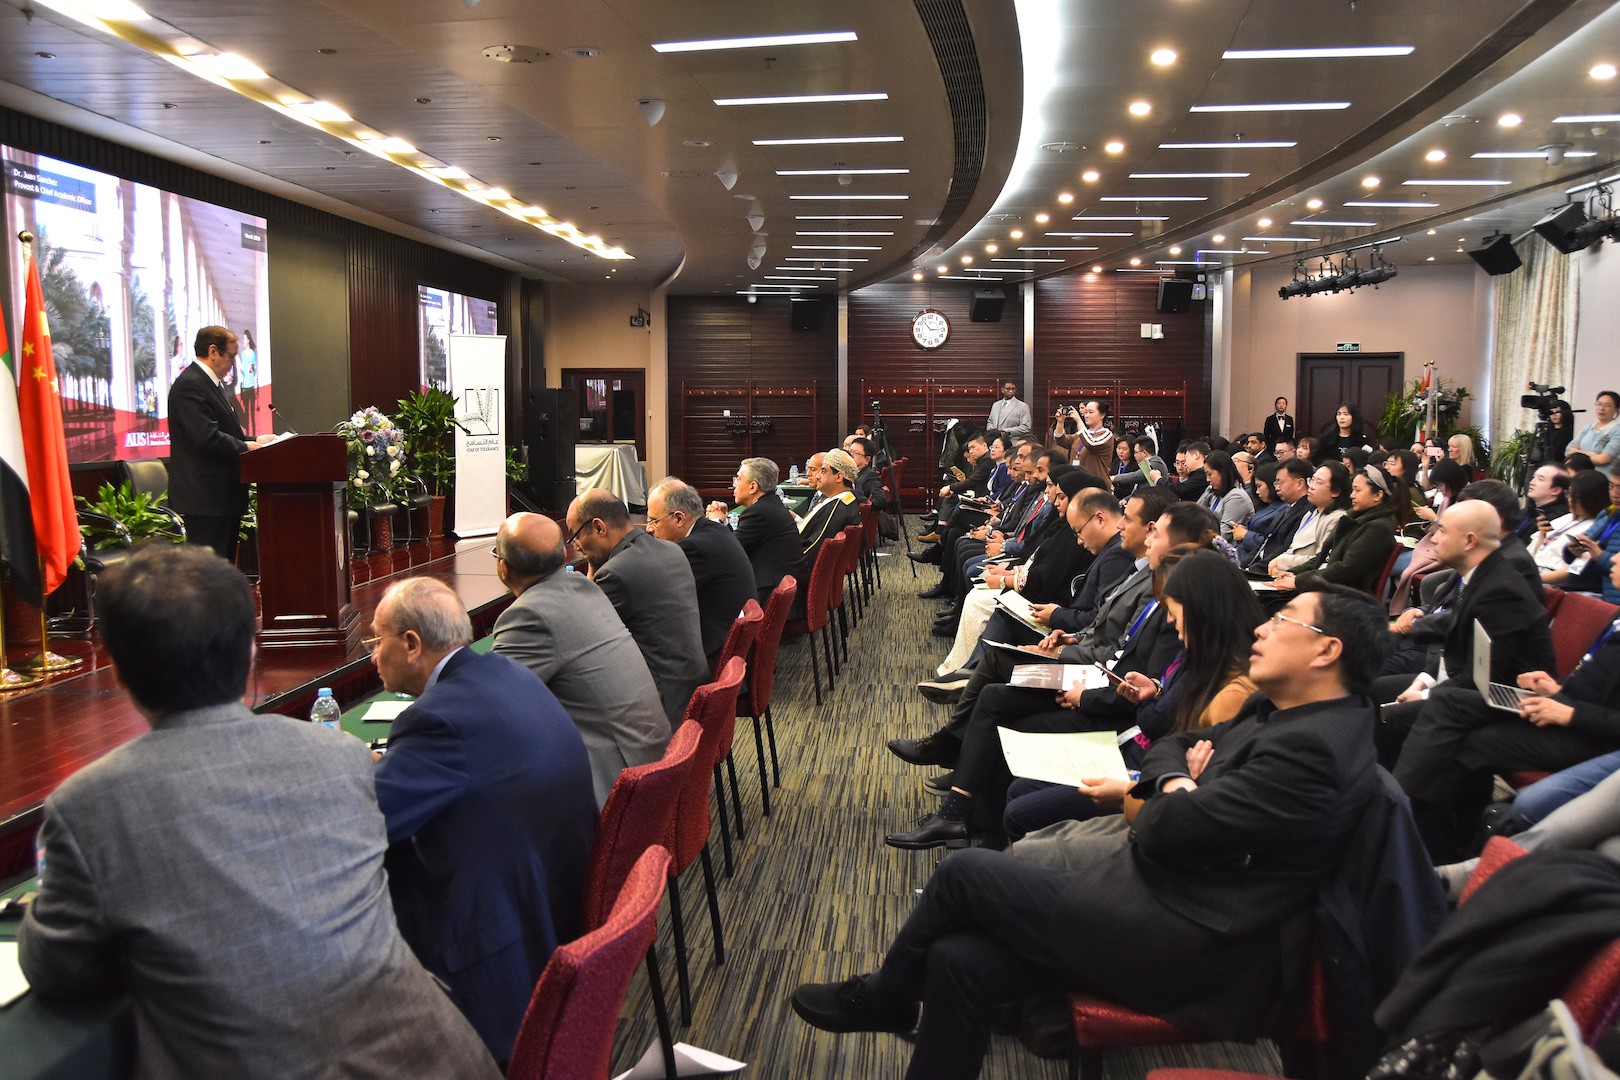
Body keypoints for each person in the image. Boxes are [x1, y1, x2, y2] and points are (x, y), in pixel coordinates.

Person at [791, 585, 1389, 1080]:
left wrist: (1177, 791)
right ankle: (896, 1000)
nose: (1262, 628)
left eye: (1283, 620)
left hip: (1198, 942)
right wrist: (1181, 780)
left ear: (1326, 650)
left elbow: (1168, 830)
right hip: (1165, 897)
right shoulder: (1286, 711)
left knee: (963, 873)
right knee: (958, 959)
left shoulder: (1315, 749)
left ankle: (889, 994)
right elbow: (1177, 745)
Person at [19, 544, 501, 1080]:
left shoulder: (89, 806)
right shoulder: (338, 755)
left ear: (118, 670)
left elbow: (57, 966)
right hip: (435, 1059)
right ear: (251, 654)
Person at [370, 576, 597, 1062]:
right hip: (561, 902)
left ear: (411, 644)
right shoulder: (507, 672)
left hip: (501, 942)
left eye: (376, 640)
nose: (372, 655)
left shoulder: (434, 720)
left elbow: (369, 819)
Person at [1005, 548, 1262, 847]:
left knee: (1020, 812)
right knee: (1020, 789)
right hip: (1143, 760)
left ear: (1201, 613)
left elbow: (1164, 733)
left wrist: (1132, 787)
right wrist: (1156, 689)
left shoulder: (1231, 689)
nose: (1170, 621)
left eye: (1174, 613)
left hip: (1146, 781)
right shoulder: (1200, 656)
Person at [491, 512, 671, 803]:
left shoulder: (528, 614)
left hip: (619, 784)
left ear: (503, 568)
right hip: (651, 758)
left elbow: (490, 701)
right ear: (563, 556)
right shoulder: (585, 586)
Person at [569, 488, 710, 724]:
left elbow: (580, 635)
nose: (576, 546)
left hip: (661, 708)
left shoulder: (615, 574)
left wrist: (592, 567)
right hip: (690, 689)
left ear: (599, 528)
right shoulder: (672, 549)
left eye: (576, 536)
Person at [167, 325, 274, 561]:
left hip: (220, 497)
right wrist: (246, 448)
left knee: (221, 568)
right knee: (207, 572)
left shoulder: (210, 383)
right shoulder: (191, 384)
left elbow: (225, 432)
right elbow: (206, 437)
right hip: (205, 498)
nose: (233, 363)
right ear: (213, 351)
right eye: (231, 356)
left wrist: (256, 440)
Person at [647, 477, 757, 670]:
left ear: (679, 518)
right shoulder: (714, 530)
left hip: (716, 655)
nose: (649, 528)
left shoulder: (695, 548)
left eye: (654, 521)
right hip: (733, 646)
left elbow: (659, 600)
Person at [1272, 464, 1401, 595]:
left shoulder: (1378, 527)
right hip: (1329, 588)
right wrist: (1294, 573)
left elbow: (1346, 570)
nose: (1352, 495)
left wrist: (1299, 581)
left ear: (1377, 495)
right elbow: (1321, 557)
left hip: (1347, 596)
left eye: (1358, 490)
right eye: (1352, 490)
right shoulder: (1354, 517)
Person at [709, 456, 801, 603]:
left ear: (753, 487)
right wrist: (725, 521)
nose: (734, 484)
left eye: (738, 479)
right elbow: (739, 542)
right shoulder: (769, 504)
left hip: (769, 594)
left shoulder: (759, 512)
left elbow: (728, 552)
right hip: (779, 585)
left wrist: (716, 521)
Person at [1528, 469, 1609, 590]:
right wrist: (1542, 535)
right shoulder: (1567, 518)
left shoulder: (1596, 528)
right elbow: (1537, 550)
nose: (1569, 500)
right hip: (1534, 570)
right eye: (1568, 494)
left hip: (1550, 580)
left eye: (1574, 497)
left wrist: (1534, 579)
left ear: (1589, 500)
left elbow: (1573, 570)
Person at [1268, 461, 1352, 575]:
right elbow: (1292, 549)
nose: (1311, 486)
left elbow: (1320, 560)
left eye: (1319, 483)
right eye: (1312, 480)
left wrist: (1281, 562)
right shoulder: (1310, 513)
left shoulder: (1337, 518)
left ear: (1335, 491)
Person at [1197, 449, 1254, 542]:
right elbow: (1197, 512)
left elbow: (1223, 535)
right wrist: (1208, 491)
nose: (1207, 479)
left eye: (1210, 474)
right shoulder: (1217, 492)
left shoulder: (1237, 497)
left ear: (1223, 472)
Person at [1052, 399, 1113, 477]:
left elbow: (1091, 443)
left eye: (1091, 412)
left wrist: (1078, 420)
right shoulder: (1080, 434)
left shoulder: (1106, 434)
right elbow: (1060, 440)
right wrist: (1060, 422)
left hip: (1095, 482)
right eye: (1086, 412)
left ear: (1102, 415)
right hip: (1077, 480)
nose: (1086, 416)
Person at [1518, 463, 1571, 541]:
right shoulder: (1529, 511)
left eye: (1540, 479)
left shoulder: (1555, 521)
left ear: (1555, 490)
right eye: (1533, 477)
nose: (1532, 482)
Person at [1569, 390, 1620, 465]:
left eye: (1607, 405)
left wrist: (1576, 452)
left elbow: (1602, 459)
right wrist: (1591, 454)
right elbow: (1568, 450)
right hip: (1580, 471)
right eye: (1599, 404)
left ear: (1616, 409)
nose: (1601, 408)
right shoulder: (1588, 427)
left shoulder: (1617, 431)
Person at [848, 436, 890, 511]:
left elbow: (881, 500)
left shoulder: (870, 476)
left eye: (855, 453)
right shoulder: (848, 473)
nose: (850, 455)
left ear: (867, 460)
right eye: (850, 451)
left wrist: (864, 507)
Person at [236, 327, 258, 436]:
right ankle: (248, 434)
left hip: (251, 386)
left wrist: (251, 369)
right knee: (246, 413)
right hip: (244, 386)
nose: (243, 341)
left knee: (252, 413)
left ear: (248, 340)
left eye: (244, 339)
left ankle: (254, 434)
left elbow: (254, 372)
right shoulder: (243, 354)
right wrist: (241, 370)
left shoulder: (252, 353)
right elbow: (242, 370)